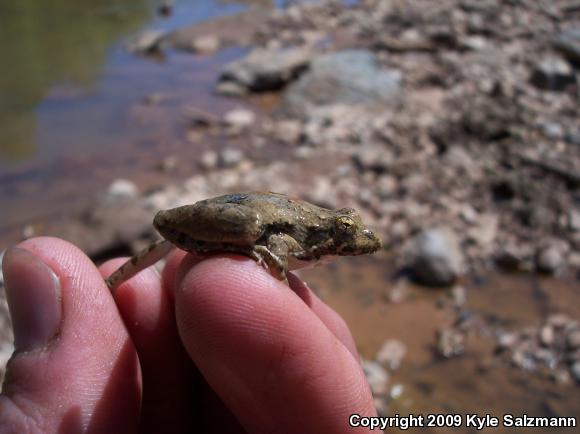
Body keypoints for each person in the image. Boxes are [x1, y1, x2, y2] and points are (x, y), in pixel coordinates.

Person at [0, 237, 376, 433]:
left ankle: (109, 285)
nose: (357, 241)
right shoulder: (302, 241)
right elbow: (277, 250)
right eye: (346, 233)